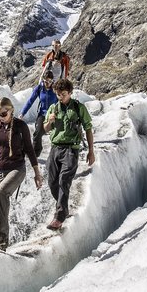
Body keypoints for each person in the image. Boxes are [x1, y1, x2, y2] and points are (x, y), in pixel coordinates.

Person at [0, 97, 44, 250]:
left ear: (11, 110)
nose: (0, 117)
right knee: (2, 203)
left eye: (3, 114)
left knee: (0, 193)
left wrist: (37, 173)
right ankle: (2, 243)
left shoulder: (20, 127)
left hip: (16, 169)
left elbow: (30, 150)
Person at [42, 78, 95, 230]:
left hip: (71, 149)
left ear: (70, 93)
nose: (61, 97)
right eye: (58, 94)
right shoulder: (53, 109)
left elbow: (88, 128)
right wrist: (50, 122)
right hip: (55, 148)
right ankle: (63, 208)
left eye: (63, 94)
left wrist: (91, 151)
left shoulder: (79, 108)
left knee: (64, 180)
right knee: (52, 182)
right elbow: (45, 130)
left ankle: (59, 217)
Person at [19, 71, 59, 158]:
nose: (47, 83)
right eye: (45, 81)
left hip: (54, 114)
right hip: (43, 113)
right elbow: (30, 101)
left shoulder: (56, 89)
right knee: (37, 133)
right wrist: (22, 113)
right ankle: (35, 154)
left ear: (52, 81)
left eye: (49, 82)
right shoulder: (39, 88)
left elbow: (61, 101)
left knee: (58, 134)